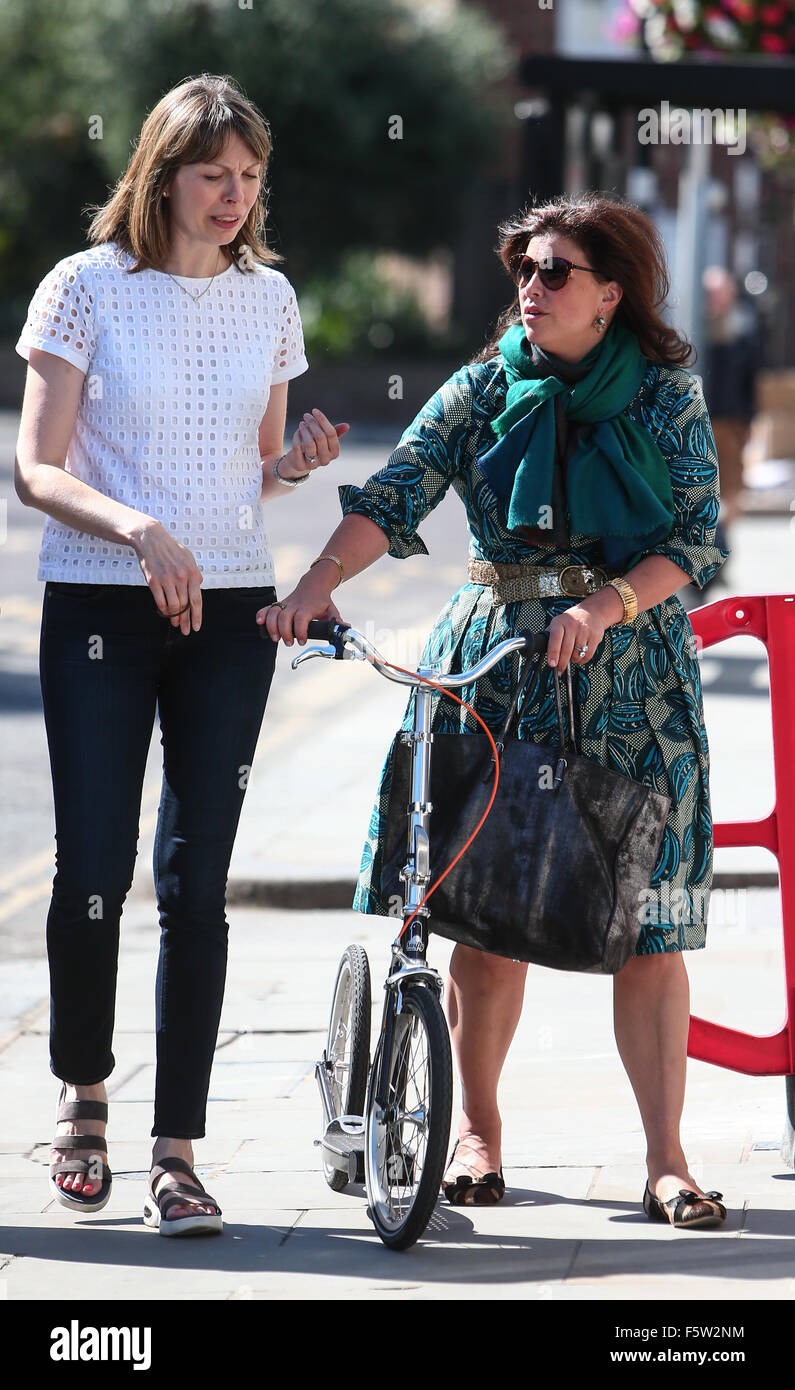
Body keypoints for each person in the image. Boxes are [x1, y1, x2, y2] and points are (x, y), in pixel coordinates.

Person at [260, 193, 731, 1230]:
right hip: (501, 667)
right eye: (523, 267)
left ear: (612, 293)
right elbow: (392, 496)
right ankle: (475, 1136)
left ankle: (667, 1160)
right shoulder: (481, 388)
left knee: (650, 928)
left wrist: (607, 602)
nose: (531, 287)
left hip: (633, 686)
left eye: (555, 271)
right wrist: (313, 587)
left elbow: (696, 542)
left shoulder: (663, 398)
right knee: (489, 919)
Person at [14, 74, 347, 1236]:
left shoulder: (270, 299)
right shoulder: (83, 290)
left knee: (196, 885)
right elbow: (37, 470)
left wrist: (295, 460)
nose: (236, 196)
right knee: (95, 866)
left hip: (232, 610)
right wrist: (138, 527)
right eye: (217, 174)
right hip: (101, 602)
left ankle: (178, 1151)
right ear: (163, 173)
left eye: (251, 177)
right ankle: (84, 1100)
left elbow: (252, 463)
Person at [698, 266, 760, 592]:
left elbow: (750, 380)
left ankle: (718, 548)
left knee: (732, 490)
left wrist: (749, 420)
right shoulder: (695, 326)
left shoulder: (741, 332)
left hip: (730, 422)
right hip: (699, 421)